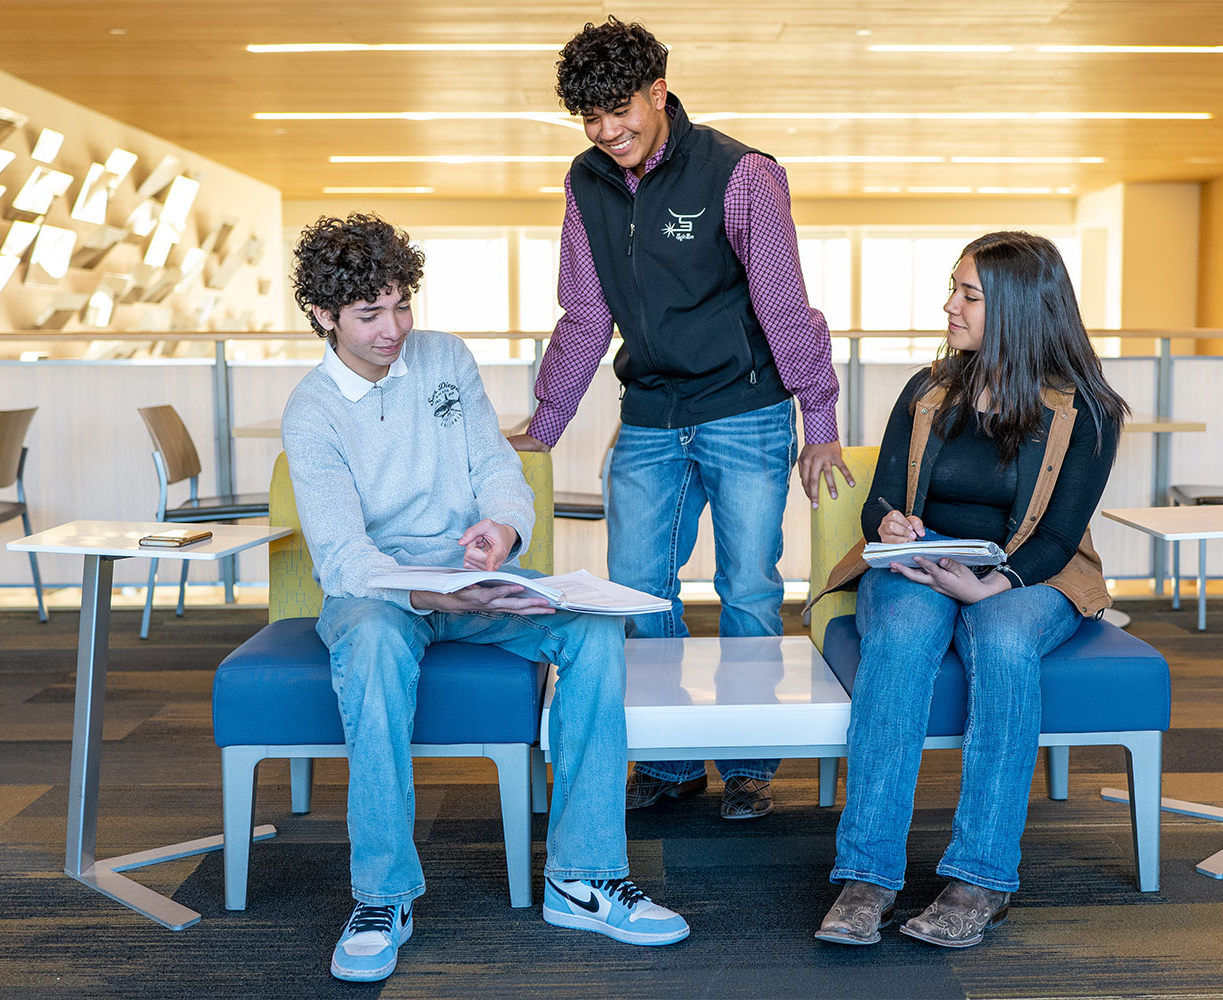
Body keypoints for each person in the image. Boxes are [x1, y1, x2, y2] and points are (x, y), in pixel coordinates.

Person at [281, 214, 689, 983]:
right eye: (370, 314)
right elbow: (342, 556)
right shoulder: (313, 413)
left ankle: (584, 877)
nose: (393, 328)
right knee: (368, 645)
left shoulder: (443, 358)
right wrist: (438, 597)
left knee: (595, 630)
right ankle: (382, 894)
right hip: (381, 593)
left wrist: (502, 529)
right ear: (323, 316)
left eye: (401, 305)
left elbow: (497, 467)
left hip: (473, 578)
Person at [507, 16, 853, 821]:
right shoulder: (585, 180)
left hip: (745, 408)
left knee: (747, 587)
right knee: (635, 589)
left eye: (619, 111)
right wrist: (547, 420)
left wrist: (820, 419)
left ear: (658, 92)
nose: (606, 132)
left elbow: (783, 306)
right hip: (653, 414)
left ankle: (748, 763)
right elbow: (586, 312)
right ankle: (664, 763)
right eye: (589, 119)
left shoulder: (740, 175)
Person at [811, 231, 1128, 949]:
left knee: (1006, 635)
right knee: (902, 632)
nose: (949, 306)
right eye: (953, 289)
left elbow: (1056, 537)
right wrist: (888, 522)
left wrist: (993, 587)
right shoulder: (928, 389)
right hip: (923, 564)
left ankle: (981, 878)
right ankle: (867, 875)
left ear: (1017, 309)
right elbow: (878, 501)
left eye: (969, 295)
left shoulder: (1088, 409)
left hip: (1031, 570)